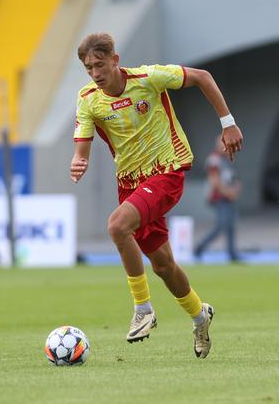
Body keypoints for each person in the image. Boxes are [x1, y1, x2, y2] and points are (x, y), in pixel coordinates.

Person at [70, 33, 243, 358]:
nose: (95, 72)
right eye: (88, 67)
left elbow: (203, 77)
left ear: (115, 60)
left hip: (167, 170)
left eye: (100, 64)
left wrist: (228, 123)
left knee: (117, 226)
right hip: (131, 184)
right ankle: (199, 315)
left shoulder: (149, 78)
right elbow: (83, 146)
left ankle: (143, 309)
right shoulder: (88, 98)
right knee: (163, 265)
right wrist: (80, 159)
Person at [194, 135, 242, 263]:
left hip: (228, 196)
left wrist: (236, 188)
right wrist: (228, 192)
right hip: (219, 197)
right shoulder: (214, 159)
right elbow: (214, 181)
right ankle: (199, 247)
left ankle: (232, 253)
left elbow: (233, 177)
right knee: (222, 225)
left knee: (230, 225)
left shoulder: (226, 158)